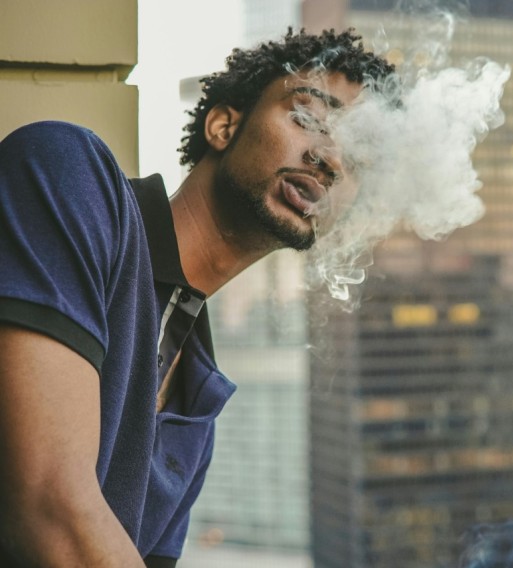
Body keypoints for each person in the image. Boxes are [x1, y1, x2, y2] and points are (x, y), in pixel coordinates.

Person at [0, 28, 394, 567]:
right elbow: (49, 507)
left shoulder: (197, 402)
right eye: (310, 119)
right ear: (223, 126)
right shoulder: (68, 172)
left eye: (359, 157)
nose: (332, 161)